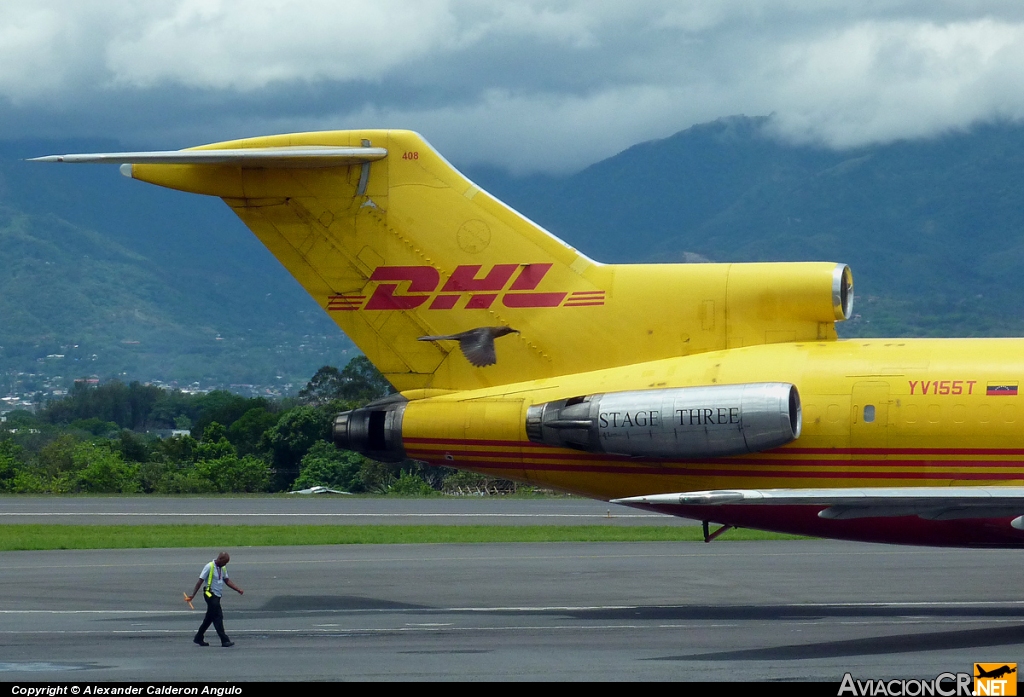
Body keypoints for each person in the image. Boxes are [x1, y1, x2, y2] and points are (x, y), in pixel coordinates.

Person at [187, 551, 243, 647]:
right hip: (210, 594)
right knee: (218, 616)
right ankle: (224, 640)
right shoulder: (209, 566)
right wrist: (193, 595)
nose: (225, 564)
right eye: (224, 562)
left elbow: (227, 580)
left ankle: (198, 637)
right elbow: (200, 581)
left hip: (217, 595)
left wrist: (237, 589)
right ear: (220, 559)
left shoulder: (223, 568)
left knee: (209, 617)